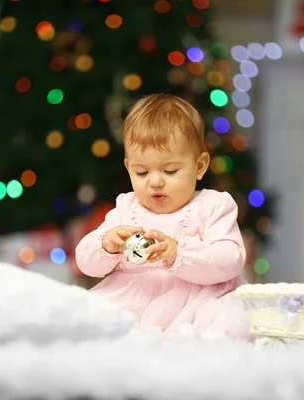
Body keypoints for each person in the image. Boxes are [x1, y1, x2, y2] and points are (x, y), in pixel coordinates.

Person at [75, 93, 251, 340]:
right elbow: (85, 262)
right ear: (128, 168)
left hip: (198, 298)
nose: (155, 181)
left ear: (199, 166)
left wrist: (179, 254)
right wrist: (107, 245)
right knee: (91, 321)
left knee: (227, 323)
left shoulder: (213, 205)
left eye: (170, 171)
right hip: (135, 296)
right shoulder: (127, 207)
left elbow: (230, 259)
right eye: (142, 172)